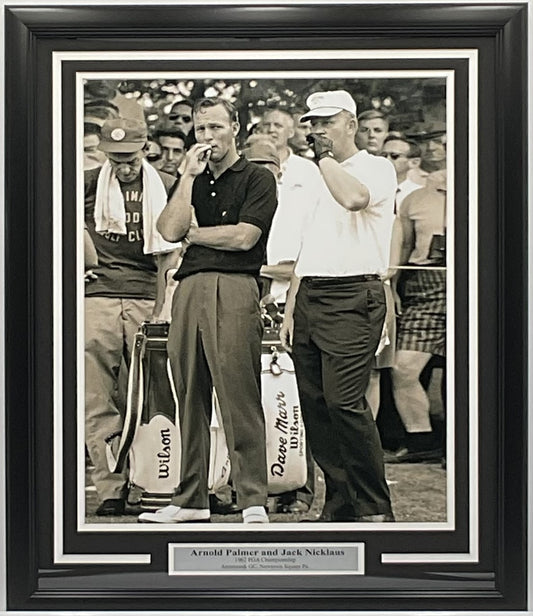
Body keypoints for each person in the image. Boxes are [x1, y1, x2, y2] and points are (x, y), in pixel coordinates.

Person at [138, 97, 277, 524]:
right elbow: (168, 230)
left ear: (235, 127)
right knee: (189, 395)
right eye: (201, 129)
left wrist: (196, 235)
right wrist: (186, 179)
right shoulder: (191, 178)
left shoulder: (257, 177)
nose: (208, 137)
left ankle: (252, 497)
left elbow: (243, 239)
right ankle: (191, 499)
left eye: (216, 127)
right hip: (189, 288)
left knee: (238, 392)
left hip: (235, 286)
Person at [280, 90, 396, 523]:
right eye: (313, 122)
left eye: (327, 121)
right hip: (311, 292)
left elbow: (354, 200)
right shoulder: (312, 175)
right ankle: (341, 501)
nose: (318, 130)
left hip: (355, 294)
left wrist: (324, 160)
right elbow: (307, 245)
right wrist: (292, 305)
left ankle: (373, 506)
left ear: (351, 124)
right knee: (316, 404)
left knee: (345, 402)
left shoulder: (375, 167)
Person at [84, 118, 180, 516]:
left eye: (132, 158)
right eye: (116, 159)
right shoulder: (86, 182)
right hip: (97, 298)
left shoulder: (169, 184)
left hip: (147, 295)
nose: (124, 167)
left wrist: (163, 305)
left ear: (147, 149)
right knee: (97, 397)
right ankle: (110, 487)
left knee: (151, 396)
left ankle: (155, 481)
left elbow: (171, 252)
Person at [243, 131, 320, 516]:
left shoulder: (298, 204)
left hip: (287, 310)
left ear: (280, 169)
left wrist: (250, 265)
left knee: (294, 403)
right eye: (253, 166)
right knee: (251, 402)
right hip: (246, 307)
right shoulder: (238, 200)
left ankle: (301, 488)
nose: (260, 174)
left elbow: (302, 265)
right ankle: (262, 486)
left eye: (267, 167)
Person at [386, 167, 447, 464]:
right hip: (424, 284)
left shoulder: (490, 185)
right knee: (403, 367)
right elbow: (405, 246)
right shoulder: (414, 199)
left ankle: (466, 443)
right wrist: (395, 286)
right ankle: (422, 440)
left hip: (478, 281)